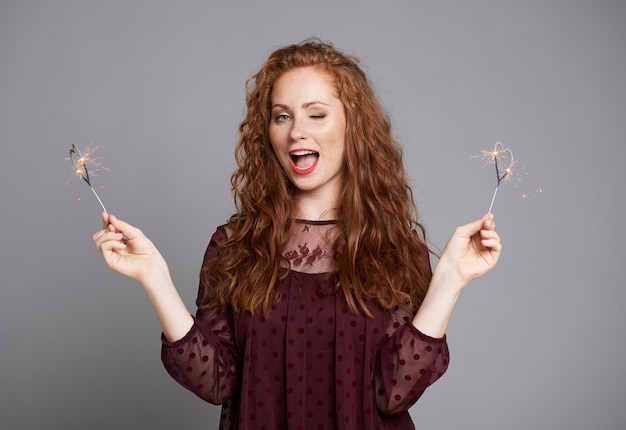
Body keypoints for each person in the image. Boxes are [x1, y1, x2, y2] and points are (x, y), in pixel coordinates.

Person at [92, 39, 501, 430]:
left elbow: (393, 392)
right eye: (282, 115)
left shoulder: (396, 250)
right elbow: (215, 383)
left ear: (353, 126)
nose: (296, 132)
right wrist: (155, 279)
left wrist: (450, 279)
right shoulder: (233, 247)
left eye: (316, 114)